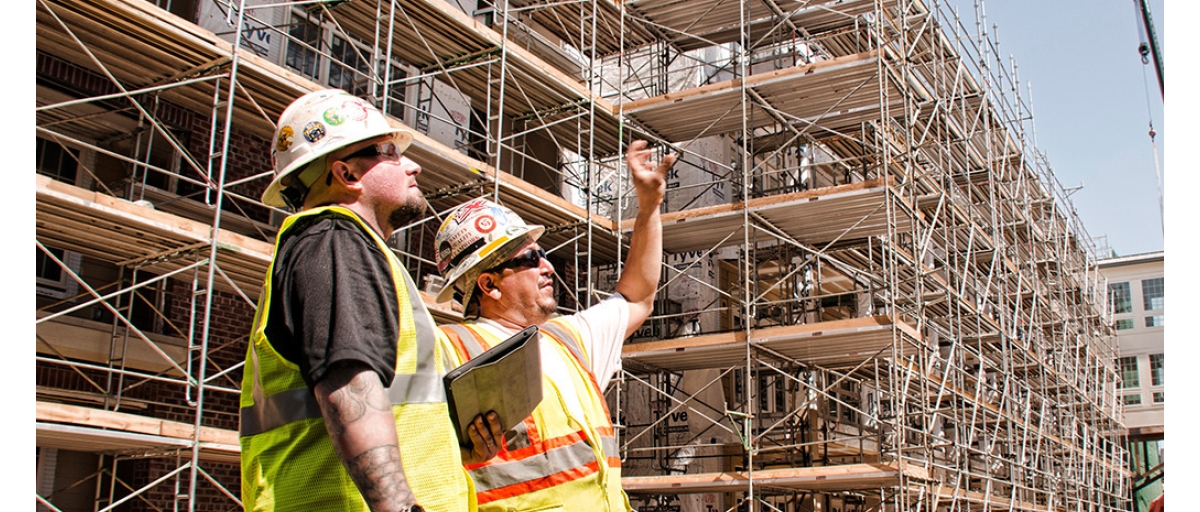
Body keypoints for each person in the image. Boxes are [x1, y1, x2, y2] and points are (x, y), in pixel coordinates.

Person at [239, 89, 502, 512]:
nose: (412, 164)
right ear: (345, 173)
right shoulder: (334, 241)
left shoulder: (338, 247)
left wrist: (456, 450)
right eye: (391, 153)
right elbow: (349, 386)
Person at [432, 139, 675, 511]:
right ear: (489, 285)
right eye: (530, 258)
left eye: (543, 254)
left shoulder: (567, 339)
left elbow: (637, 296)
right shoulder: (447, 348)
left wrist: (648, 208)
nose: (548, 266)